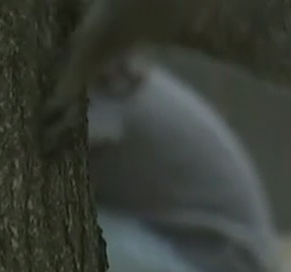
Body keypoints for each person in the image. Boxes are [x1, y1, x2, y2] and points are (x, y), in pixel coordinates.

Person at [87, 55, 280, 272]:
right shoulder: (111, 79)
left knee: (73, 231)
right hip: (196, 252)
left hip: (216, 261)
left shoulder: (100, 88)